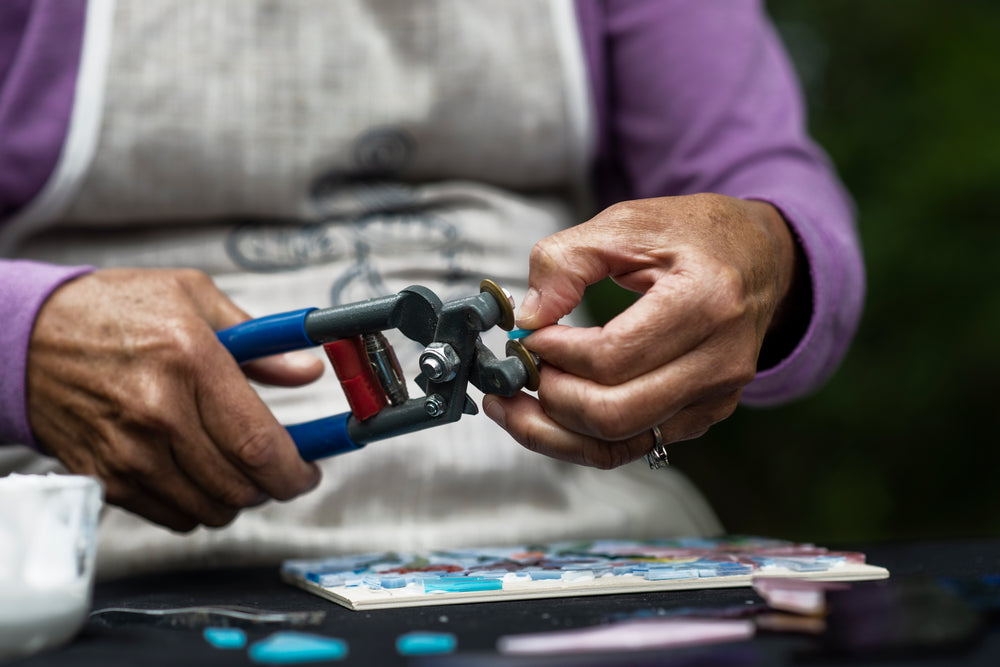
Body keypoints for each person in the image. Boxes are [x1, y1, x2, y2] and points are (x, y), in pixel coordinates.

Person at [0, 0, 862, 578]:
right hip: (93, 556)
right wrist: (23, 338)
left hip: (582, 545)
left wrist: (766, 258)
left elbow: (758, 177)